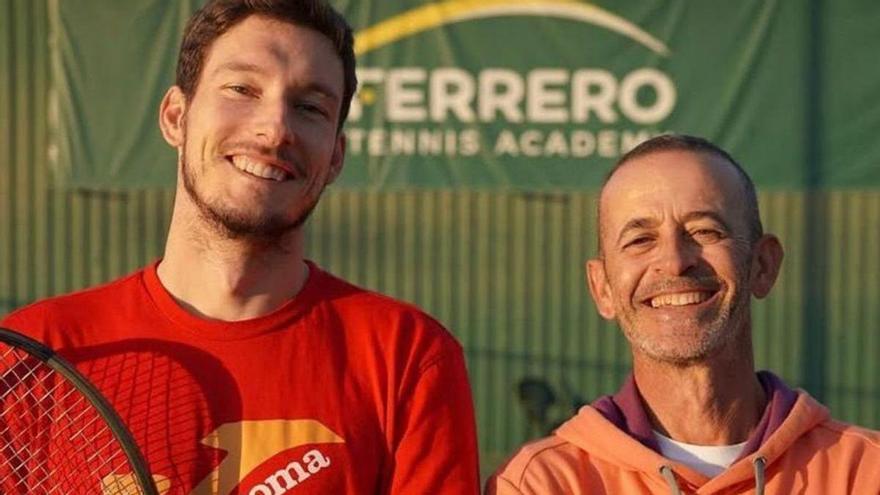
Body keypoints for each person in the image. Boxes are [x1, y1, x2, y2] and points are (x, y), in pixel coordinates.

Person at [1, 1, 480, 493]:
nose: (274, 130)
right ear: (175, 117)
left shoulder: (408, 357)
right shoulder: (32, 357)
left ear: (335, 157)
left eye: (310, 107)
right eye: (241, 89)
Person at [488, 134, 880, 494]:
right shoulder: (542, 484)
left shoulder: (865, 472)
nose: (675, 262)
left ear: (762, 265)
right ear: (602, 287)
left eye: (705, 231)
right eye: (640, 240)